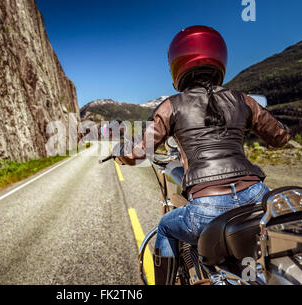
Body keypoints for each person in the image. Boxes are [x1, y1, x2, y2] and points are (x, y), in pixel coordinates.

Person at [113, 25, 291, 285]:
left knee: (165, 226)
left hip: (209, 205)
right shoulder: (242, 100)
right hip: (257, 194)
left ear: (177, 62)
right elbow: (280, 137)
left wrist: (121, 155)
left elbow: (141, 152)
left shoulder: (172, 105)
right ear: (219, 57)